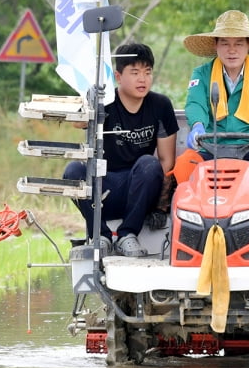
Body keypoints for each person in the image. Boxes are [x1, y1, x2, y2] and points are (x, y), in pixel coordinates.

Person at [63, 42, 179, 257]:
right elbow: (77, 122)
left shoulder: (160, 105)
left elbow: (166, 161)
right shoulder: (105, 103)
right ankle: (102, 236)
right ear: (117, 76)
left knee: (149, 163)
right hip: (104, 188)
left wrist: (158, 201)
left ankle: (127, 234)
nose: (142, 79)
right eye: (134, 72)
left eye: (147, 72)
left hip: (141, 189)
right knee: (72, 171)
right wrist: (90, 99)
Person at [183, 10, 249, 176]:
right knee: (185, 164)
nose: (231, 50)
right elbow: (195, 104)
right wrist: (197, 126)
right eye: (225, 43)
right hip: (211, 148)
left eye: (239, 44)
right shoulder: (201, 74)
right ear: (215, 45)